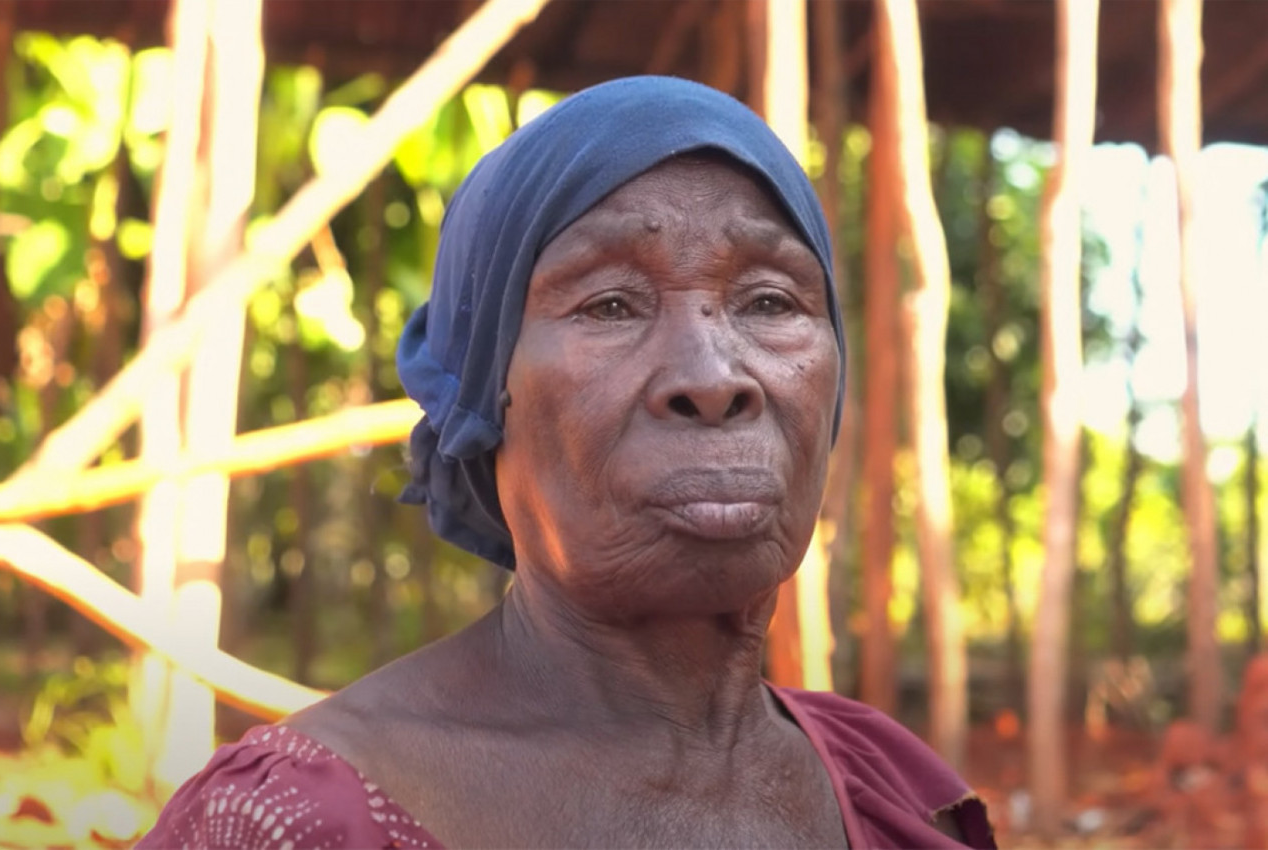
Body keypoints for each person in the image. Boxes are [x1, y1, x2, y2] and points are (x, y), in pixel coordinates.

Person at [140, 76, 995, 850]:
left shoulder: (886, 789)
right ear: (484, 398)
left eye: (769, 301)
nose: (712, 377)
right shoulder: (293, 824)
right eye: (610, 304)